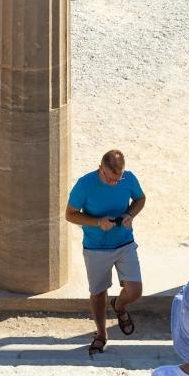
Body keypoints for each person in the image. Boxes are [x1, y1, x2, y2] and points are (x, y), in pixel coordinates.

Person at [66, 149, 146, 357]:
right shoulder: (84, 184)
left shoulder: (128, 179)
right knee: (98, 293)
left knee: (135, 291)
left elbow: (140, 199)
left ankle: (118, 305)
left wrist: (130, 214)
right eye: (111, 179)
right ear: (100, 168)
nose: (114, 183)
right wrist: (97, 222)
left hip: (125, 243)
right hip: (95, 248)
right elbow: (70, 215)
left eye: (118, 179)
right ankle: (101, 334)